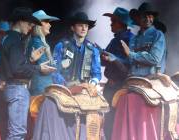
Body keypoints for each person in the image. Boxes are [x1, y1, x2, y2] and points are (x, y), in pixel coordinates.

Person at [33, 12, 103, 140]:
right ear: (72, 27)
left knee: (99, 109)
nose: (83, 29)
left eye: (86, 26)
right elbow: (54, 70)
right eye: (80, 25)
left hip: (85, 89)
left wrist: (91, 84)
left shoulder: (93, 49)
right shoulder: (62, 46)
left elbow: (97, 73)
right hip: (65, 88)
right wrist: (65, 86)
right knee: (50, 105)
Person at [111, 3, 168, 140]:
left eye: (150, 16)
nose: (148, 18)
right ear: (139, 18)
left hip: (151, 82)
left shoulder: (158, 35)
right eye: (145, 16)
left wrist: (131, 54)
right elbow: (130, 62)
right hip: (133, 83)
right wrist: (114, 59)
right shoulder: (135, 39)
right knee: (121, 100)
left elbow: (154, 58)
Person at [0, 7, 54, 140]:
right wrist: (38, 68)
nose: (30, 27)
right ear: (21, 22)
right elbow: (17, 69)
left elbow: (15, 66)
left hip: (15, 88)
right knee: (17, 133)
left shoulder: (11, 39)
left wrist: (30, 60)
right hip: (17, 89)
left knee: (16, 132)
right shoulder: (15, 41)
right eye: (29, 23)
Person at [100, 7, 134, 140]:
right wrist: (103, 57)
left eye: (113, 21)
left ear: (120, 23)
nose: (110, 24)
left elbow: (130, 64)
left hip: (122, 87)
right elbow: (103, 62)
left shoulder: (131, 40)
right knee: (107, 121)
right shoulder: (114, 41)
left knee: (118, 122)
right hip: (110, 86)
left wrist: (114, 59)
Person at [27, 10, 59, 96]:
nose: (50, 24)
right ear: (38, 25)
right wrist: (60, 65)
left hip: (42, 86)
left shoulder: (36, 41)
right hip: (41, 88)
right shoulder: (37, 42)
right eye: (46, 22)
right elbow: (46, 67)